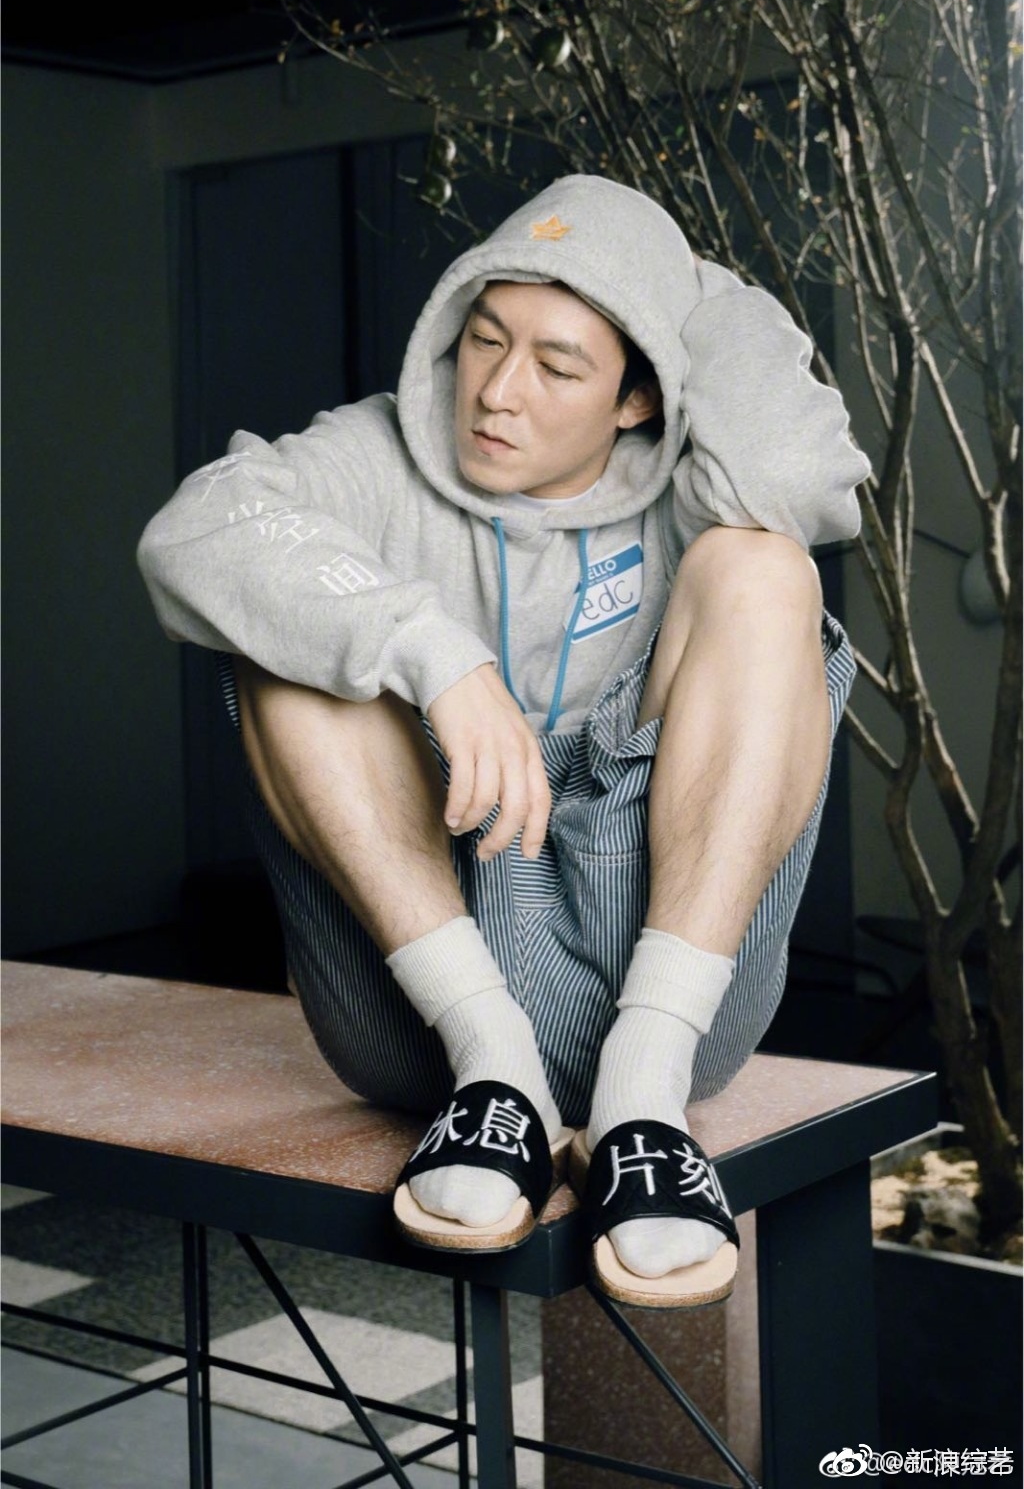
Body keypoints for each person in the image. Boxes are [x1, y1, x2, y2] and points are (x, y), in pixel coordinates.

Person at [138, 174, 870, 1308]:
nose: (495, 391)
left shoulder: (691, 484)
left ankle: (640, 1101)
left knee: (762, 565)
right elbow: (192, 530)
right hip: (422, 1011)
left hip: (668, 987)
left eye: (558, 366)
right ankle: (499, 1077)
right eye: (485, 338)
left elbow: (794, 477)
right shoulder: (379, 451)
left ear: (637, 394)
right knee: (287, 632)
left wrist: (675, 278)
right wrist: (430, 650)